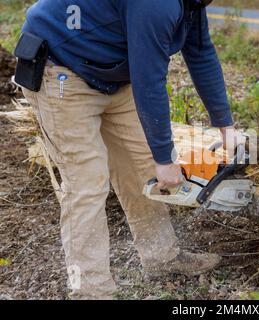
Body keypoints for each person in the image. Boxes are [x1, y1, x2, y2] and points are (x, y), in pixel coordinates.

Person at [17, 0, 239, 299]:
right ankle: (90, 290)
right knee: (87, 183)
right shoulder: (155, 4)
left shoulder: (191, 2)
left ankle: (162, 257)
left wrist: (226, 126)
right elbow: (149, 77)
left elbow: (201, 53)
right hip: (61, 69)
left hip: (112, 73)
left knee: (141, 167)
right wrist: (165, 157)